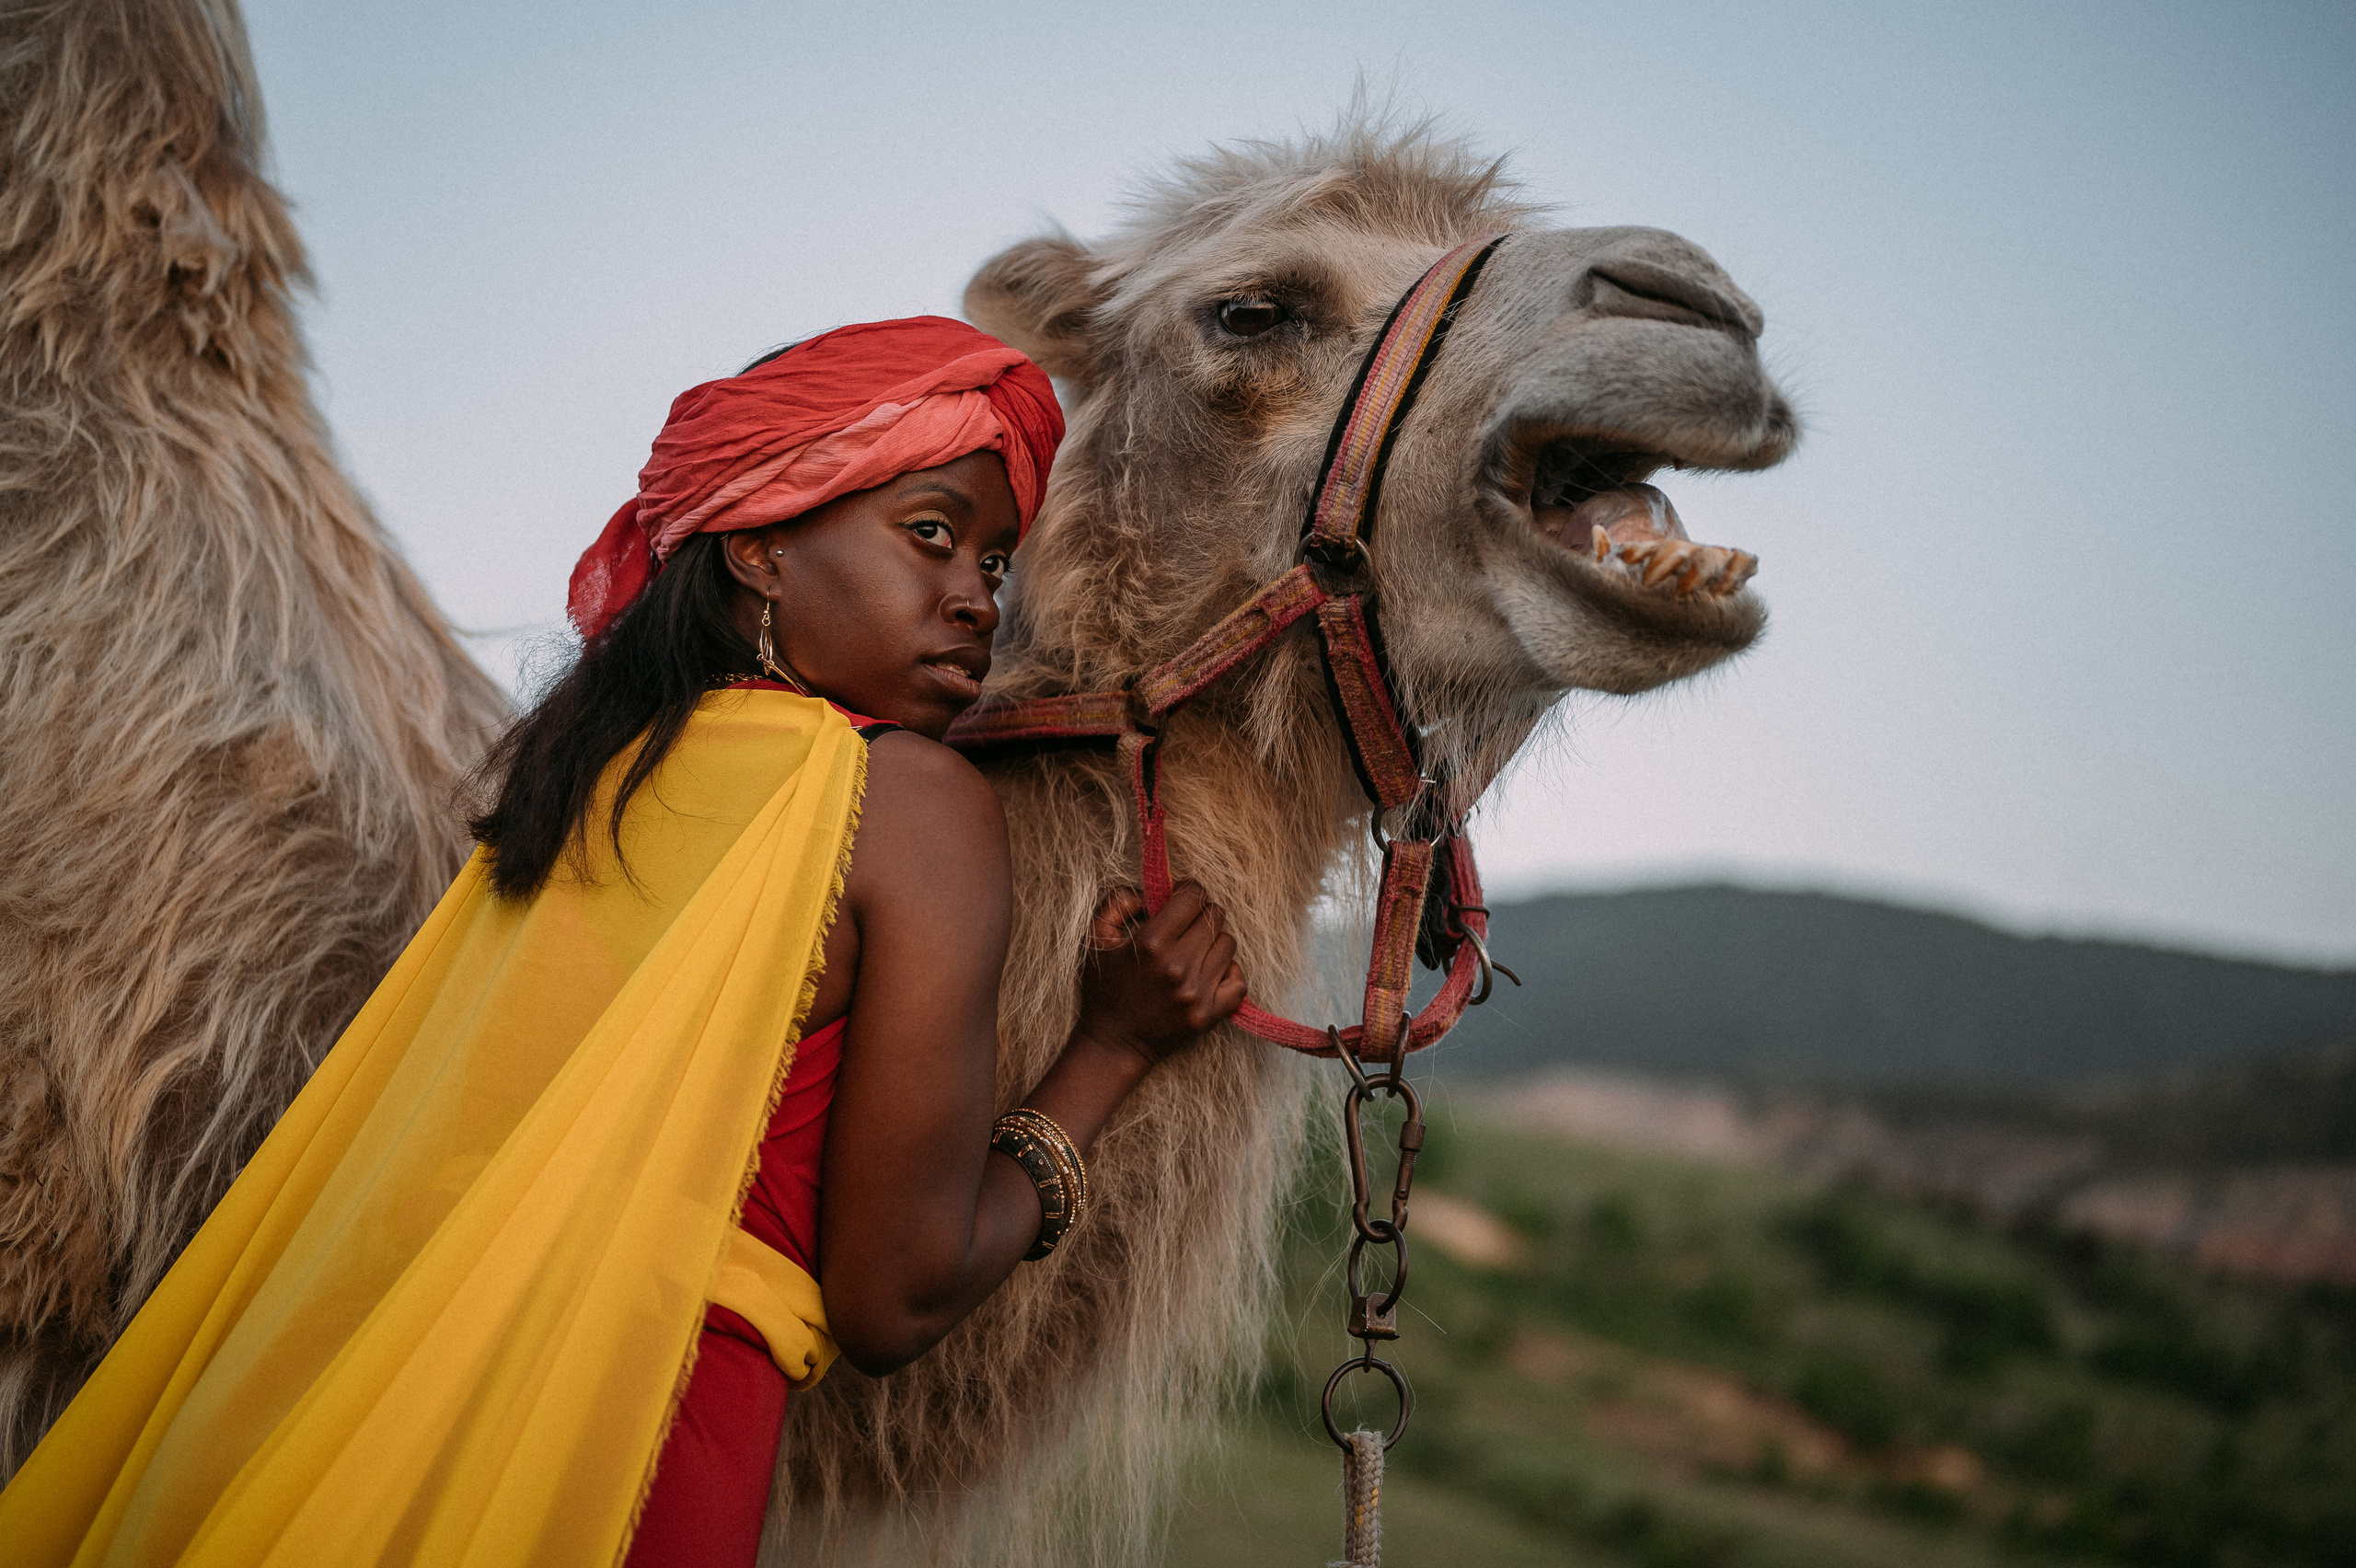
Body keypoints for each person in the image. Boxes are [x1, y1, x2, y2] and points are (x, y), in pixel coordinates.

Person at [0, 317, 1247, 1568]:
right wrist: (1111, 1047)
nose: (978, 595)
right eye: (931, 534)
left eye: (995, 560)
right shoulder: (912, 807)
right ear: (759, 547)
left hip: (364, 1401)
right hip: (626, 1455)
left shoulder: (573, 774)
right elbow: (898, 1289)